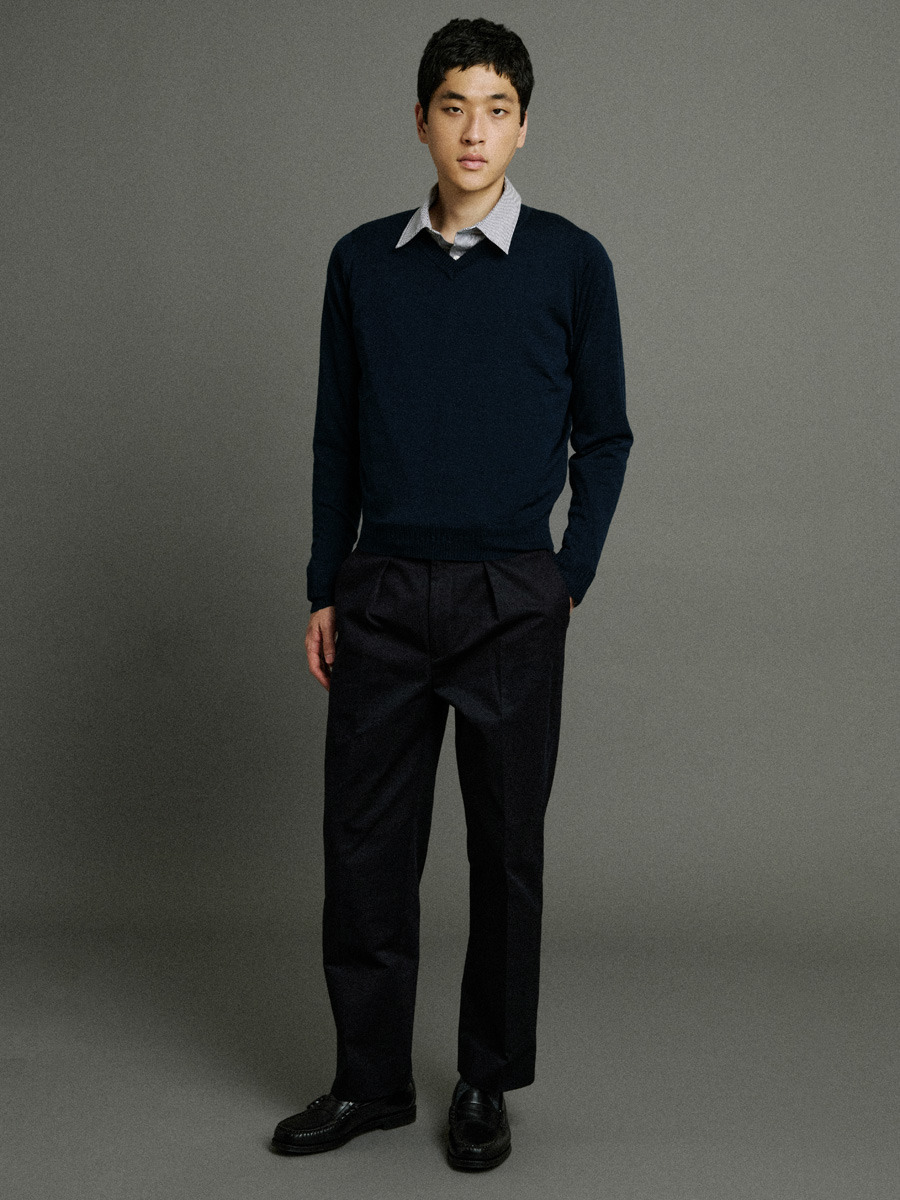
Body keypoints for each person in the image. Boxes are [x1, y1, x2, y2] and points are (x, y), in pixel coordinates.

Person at [271, 16, 633, 1172]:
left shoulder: (572, 262)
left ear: (524, 127)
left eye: (497, 109)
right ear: (421, 121)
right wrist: (326, 583)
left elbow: (606, 435)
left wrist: (567, 578)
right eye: (453, 106)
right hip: (380, 588)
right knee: (365, 846)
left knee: (505, 849)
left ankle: (486, 1079)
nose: (475, 130)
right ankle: (369, 1081)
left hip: (510, 594)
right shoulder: (361, 264)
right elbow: (335, 439)